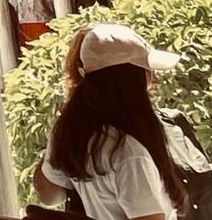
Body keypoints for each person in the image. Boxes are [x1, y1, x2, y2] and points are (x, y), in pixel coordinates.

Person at [32, 22, 186, 220]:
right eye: (147, 73)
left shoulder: (75, 135)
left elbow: (48, 195)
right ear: (130, 82)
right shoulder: (128, 153)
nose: (153, 81)